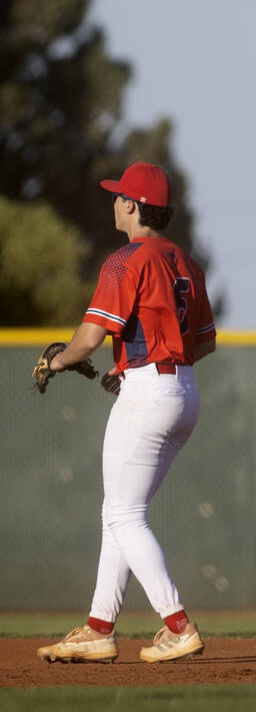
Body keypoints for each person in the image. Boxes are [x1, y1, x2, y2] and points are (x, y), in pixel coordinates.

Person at [36, 162, 217, 664]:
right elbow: (204, 343)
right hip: (183, 392)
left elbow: (89, 339)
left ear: (133, 206)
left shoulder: (126, 260)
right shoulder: (188, 262)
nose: (114, 203)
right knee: (117, 512)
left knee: (124, 513)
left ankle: (177, 625)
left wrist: (57, 360)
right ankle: (98, 629)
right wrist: (140, 366)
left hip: (149, 396)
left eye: (119, 197)